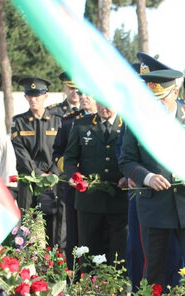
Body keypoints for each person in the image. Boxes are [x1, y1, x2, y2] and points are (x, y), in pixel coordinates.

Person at [118, 60, 185, 296]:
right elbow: (126, 160)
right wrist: (147, 177)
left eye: (160, 99)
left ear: (174, 93)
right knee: (154, 270)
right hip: (153, 207)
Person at [63, 101, 129, 263]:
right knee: (89, 250)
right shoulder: (81, 125)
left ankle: (116, 286)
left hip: (119, 200)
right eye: (99, 103)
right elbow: (70, 157)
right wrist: (73, 174)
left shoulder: (128, 125)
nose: (102, 108)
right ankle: (89, 285)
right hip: (89, 201)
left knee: (118, 252)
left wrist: (129, 177)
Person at [11, 77, 63, 240]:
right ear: (26, 97)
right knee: (26, 224)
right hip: (29, 180)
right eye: (30, 95)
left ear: (45, 96)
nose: (34, 100)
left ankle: (54, 262)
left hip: (52, 180)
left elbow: (63, 150)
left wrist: (53, 173)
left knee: (53, 225)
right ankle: (23, 261)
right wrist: (37, 174)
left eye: (37, 95)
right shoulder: (18, 121)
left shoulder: (58, 120)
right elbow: (20, 151)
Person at [53, 89, 98, 267]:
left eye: (88, 93)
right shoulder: (70, 121)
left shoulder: (115, 119)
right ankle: (75, 273)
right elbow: (57, 152)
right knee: (74, 233)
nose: (83, 97)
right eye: (81, 93)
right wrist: (72, 171)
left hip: (103, 188)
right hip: (76, 187)